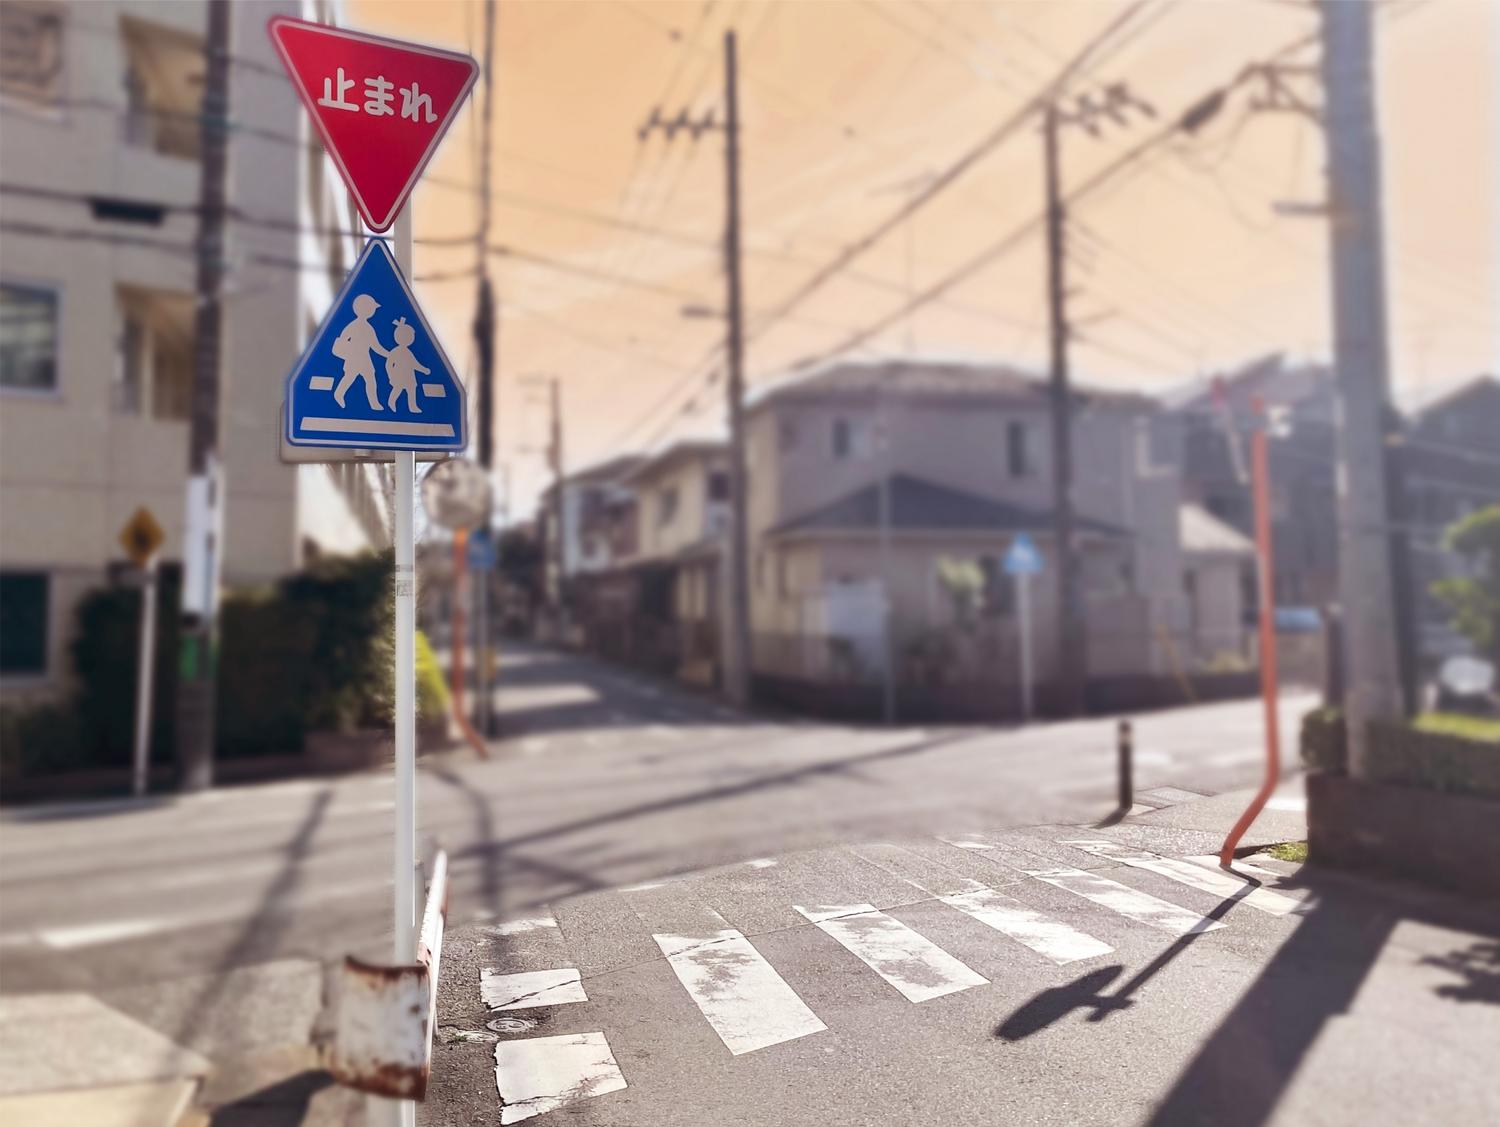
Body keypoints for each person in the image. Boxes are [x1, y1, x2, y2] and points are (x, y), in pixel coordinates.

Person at [331, 294, 389, 410]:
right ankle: (338, 394)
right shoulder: (353, 326)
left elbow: (375, 346)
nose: (373, 311)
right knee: (350, 378)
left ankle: (374, 403)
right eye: (372, 308)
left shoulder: (368, 328)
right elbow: (342, 339)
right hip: (353, 358)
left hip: (365, 359)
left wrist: (388, 354)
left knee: (370, 380)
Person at [384, 316, 430, 414]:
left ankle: (412, 406)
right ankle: (391, 402)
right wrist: (391, 375)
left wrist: (424, 370)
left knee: (411, 390)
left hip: (409, 377)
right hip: (399, 376)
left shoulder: (408, 352)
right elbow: (388, 364)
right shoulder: (395, 351)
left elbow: (414, 364)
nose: (411, 338)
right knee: (397, 389)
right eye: (409, 336)